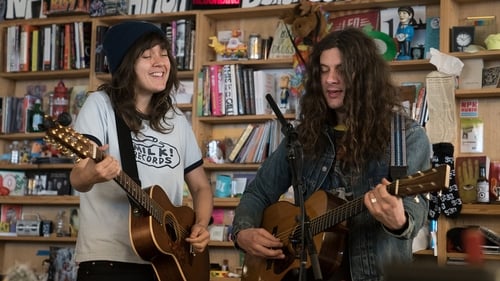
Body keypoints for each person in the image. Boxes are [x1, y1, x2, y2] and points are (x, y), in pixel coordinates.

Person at [232, 28, 431, 281]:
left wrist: (399, 220)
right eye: (324, 71)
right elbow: (258, 192)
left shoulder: (406, 137)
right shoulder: (303, 137)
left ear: (364, 76)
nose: (330, 79)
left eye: (341, 70)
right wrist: (243, 232)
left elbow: (415, 213)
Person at [69, 21, 213, 281]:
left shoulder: (176, 119)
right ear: (126, 66)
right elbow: (77, 178)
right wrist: (94, 172)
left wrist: (201, 225)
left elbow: (201, 187)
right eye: (147, 56)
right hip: (110, 261)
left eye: (163, 53)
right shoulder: (99, 105)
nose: (160, 62)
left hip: (169, 260)